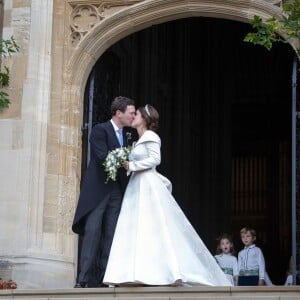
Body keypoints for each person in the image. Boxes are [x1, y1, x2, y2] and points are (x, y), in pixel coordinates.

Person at [103, 104, 231, 287]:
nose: (133, 117)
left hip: (147, 184)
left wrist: (132, 166)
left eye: (136, 114)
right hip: (137, 185)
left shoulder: (151, 136)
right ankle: (133, 272)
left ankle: (160, 272)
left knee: (151, 226)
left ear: (145, 118)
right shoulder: (137, 139)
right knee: (137, 227)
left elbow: (156, 159)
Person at [72, 96, 136, 288]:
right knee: (92, 233)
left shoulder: (128, 136)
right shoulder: (100, 130)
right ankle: (83, 279)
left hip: (116, 190)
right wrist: (124, 158)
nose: (133, 116)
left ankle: (105, 278)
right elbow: (101, 155)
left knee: (112, 234)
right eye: (131, 112)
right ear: (119, 113)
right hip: (99, 190)